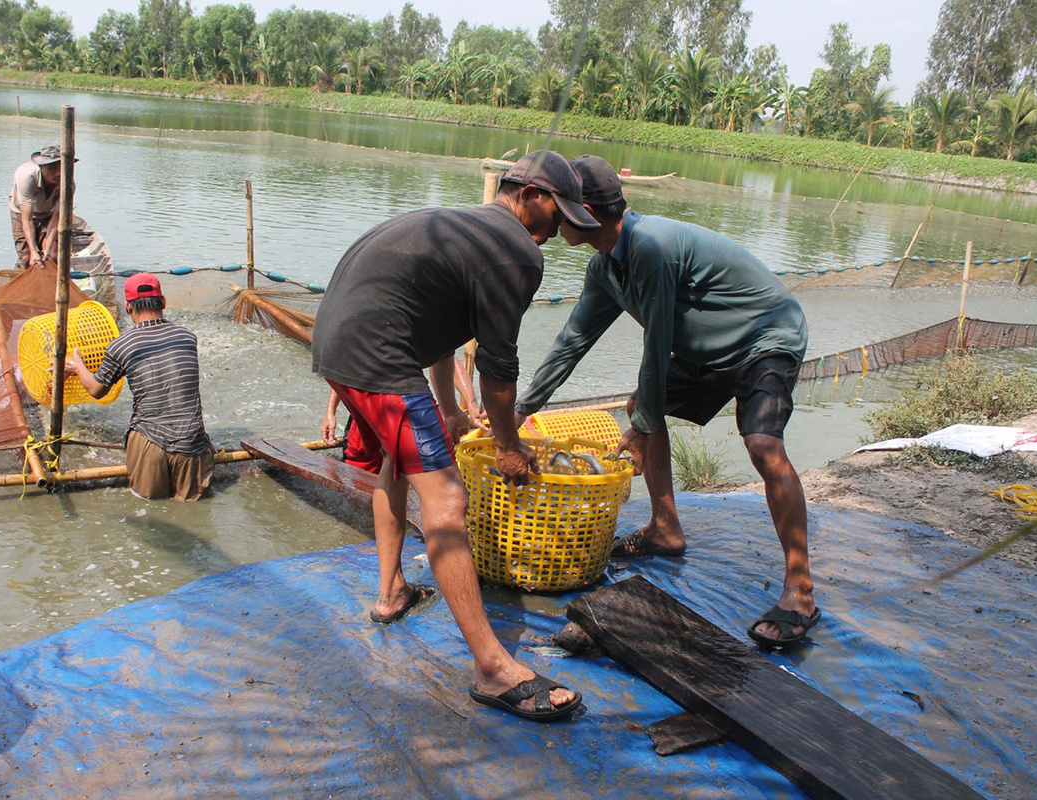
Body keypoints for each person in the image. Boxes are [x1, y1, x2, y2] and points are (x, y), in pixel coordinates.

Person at [311, 150, 599, 721]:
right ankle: (492, 669)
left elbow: (438, 334)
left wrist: (448, 409)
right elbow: (498, 369)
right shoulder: (515, 251)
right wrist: (509, 446)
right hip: (379, 352)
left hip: (337, 344)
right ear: (533, 195)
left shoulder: (462, 226)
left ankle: (392, 593)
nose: (559, 232)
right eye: (559, 214)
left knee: (402, 464)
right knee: (447, 499)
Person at [515, 155, 818, 650]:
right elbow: (573, 340)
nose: (552, 216)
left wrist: (640, 422)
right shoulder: (606, 267)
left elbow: (657, 343)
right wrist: (519, 411)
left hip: (766, 336)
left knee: (763, 445)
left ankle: (800, 589)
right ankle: (665, 528)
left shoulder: (650, 246)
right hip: (707, 348)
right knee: (644, 403)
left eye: (559, 206)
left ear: (585, 212)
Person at [64, 273, 215, 502]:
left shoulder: (121, 346)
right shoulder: (187, 337)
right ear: (163, 302)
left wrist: (78, 367)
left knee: (149, 509)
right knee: (192, 507)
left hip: (149, 443)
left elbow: (96, 390)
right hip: (190, 443)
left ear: (128, 307)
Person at [321, 356, 479, 475]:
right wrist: (330, 413)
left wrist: (472, 405)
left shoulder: (419, 324)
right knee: (360, 472)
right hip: (369, 407)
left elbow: (447, 358)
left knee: (412, 471)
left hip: (407, 404)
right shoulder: (372, 328)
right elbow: (345, 368)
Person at [9, 144, 76, 270]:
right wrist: (34, 251)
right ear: (41, 167)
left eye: (61, 167)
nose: (57, 173)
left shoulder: (68, 185)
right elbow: (27, 219)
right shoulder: (27, 178)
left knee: (53, 255)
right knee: (26, 258)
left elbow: (57, 217)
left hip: (48, 213)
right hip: (21, 212)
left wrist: (47, 246)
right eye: (52, 168)